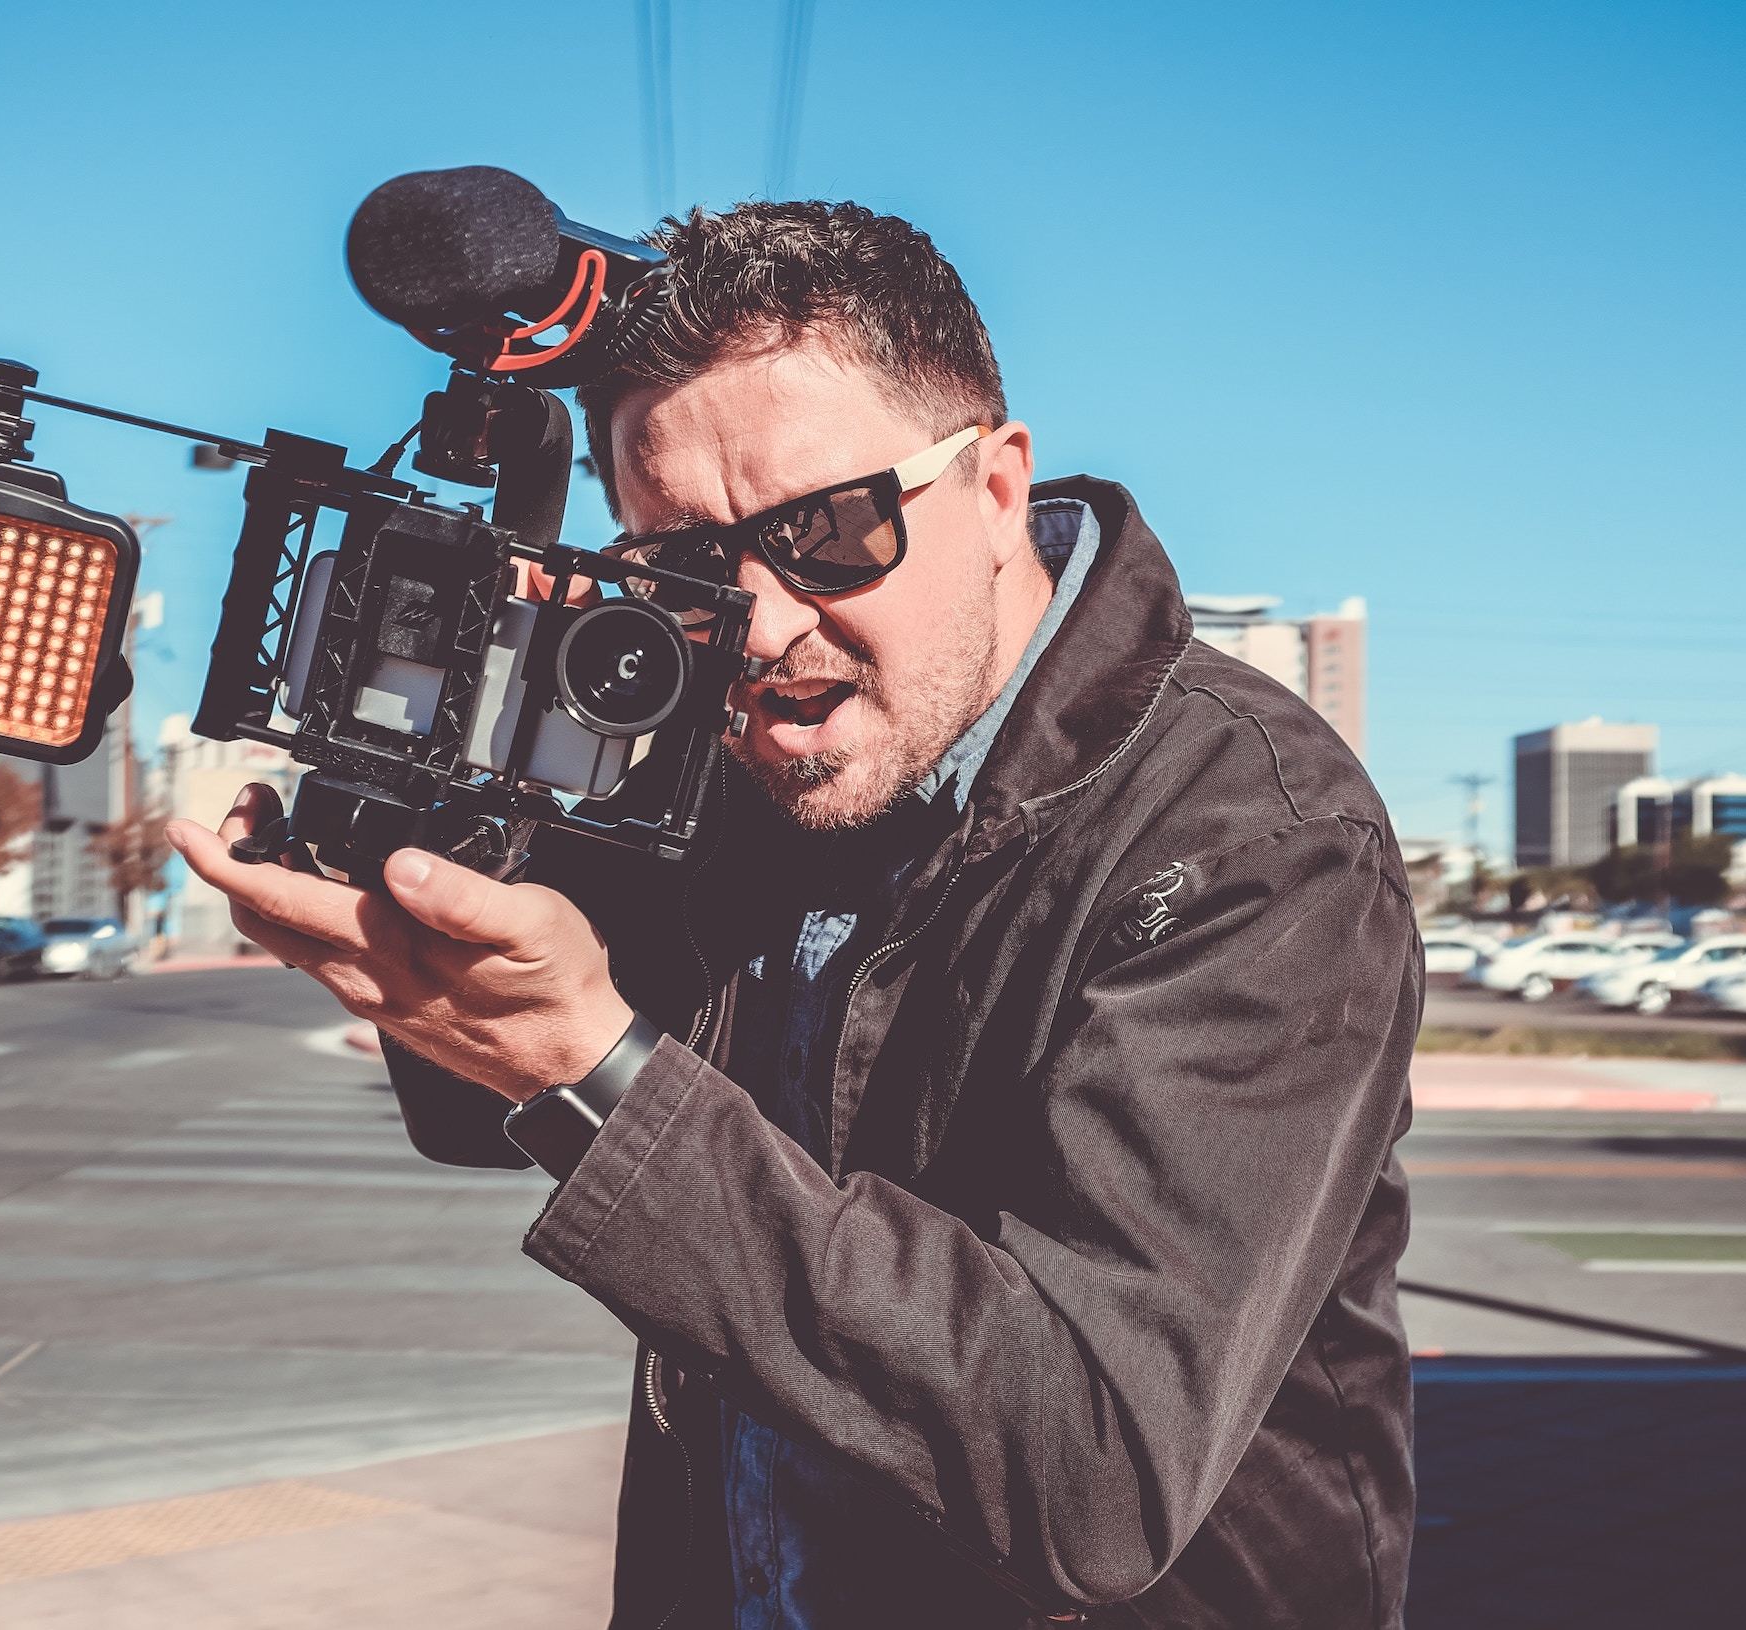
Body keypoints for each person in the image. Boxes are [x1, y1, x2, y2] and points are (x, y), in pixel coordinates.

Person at [171, 200, 1421, 1629]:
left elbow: (1094, 1470)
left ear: (997, 486)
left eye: (829, 530)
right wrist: (424, 887)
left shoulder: (1251, 835)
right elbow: (481, 1112)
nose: (761, 626)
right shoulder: (730, 762)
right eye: (688, 569)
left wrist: (588, 1060)